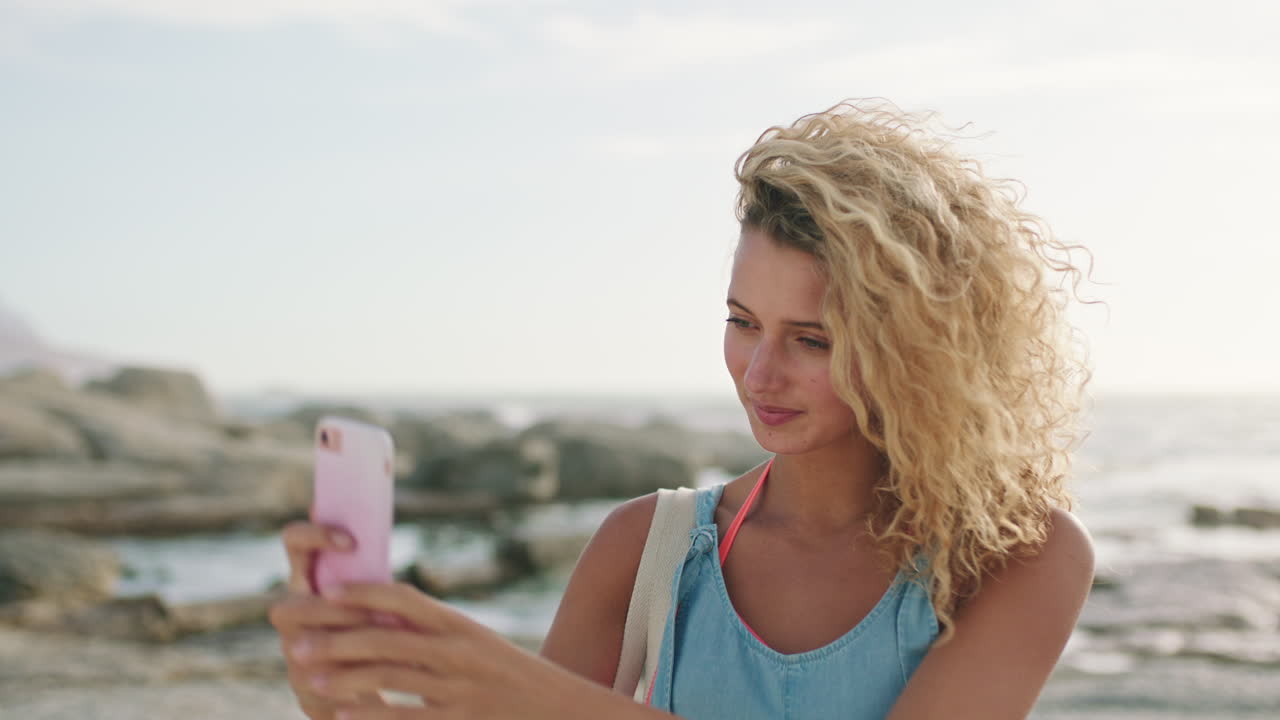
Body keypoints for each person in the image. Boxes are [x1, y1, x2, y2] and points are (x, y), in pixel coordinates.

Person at [270, 99, 1097, 719]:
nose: (759, 373)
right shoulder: (649, 550)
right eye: (742, 324)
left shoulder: (1015, 559)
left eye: (811, 339)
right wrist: (346, 693)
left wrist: (520, 691)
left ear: (915, 349)